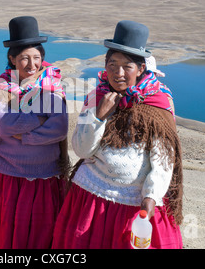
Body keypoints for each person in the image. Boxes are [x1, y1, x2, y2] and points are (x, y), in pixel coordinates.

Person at [52, 20, 183, 249]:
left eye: (127, 66)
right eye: (112, 64)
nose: (118, 73)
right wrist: (99, 116)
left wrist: (151, 196)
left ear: (141, 69)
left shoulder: (157, 104)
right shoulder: (96, 97)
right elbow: (82, 150)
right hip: (90, 199)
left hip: (135, 204)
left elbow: (163, 160)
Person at [0, 16, 70, 249]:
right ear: (12, 58)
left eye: (36, 58)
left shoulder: (53, 87)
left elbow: (60, 128)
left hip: (43, 177)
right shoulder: (0, 87)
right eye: (24, 58)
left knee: (36, 237)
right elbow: (2, 125)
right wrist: (40, 117)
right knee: (2, 234)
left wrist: (24, 135)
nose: (31, 64)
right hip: (4, 175)